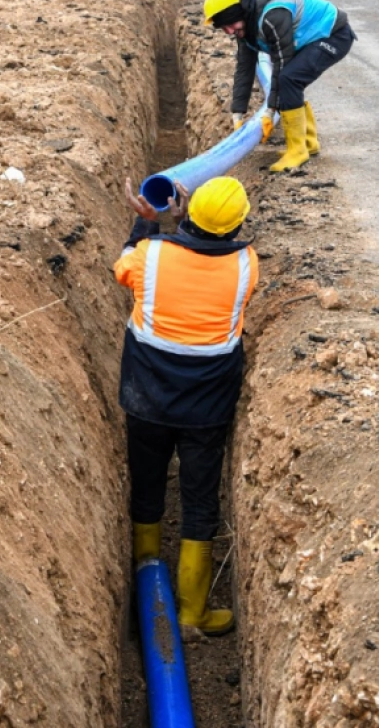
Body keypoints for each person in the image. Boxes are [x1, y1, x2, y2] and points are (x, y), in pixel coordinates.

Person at [114, 175, 259, 637]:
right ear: (237, 226)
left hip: (147, 395)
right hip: (207, 404)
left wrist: (148, 225)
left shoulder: (150, 254)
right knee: (199, 499)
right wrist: (188, 229)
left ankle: (145, 593)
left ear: (188, 211)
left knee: (148, 486)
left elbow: (123, 271)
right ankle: (193, 612)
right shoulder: (246, 265)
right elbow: (209, 266)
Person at [203, 0, 356, 172]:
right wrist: (238, 113)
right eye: (223, 28)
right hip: (314, 39)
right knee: (289, 80)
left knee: (288, 79)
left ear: (238, 14)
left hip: (333, 34)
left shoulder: (271, 17)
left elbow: (282, 62)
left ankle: (297, 150)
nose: (229, 32)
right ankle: (309, 142)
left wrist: (269, 111)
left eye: (230, 24)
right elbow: (244, 68)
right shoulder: (244, 28)